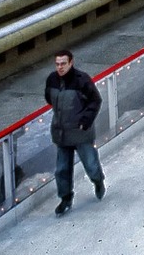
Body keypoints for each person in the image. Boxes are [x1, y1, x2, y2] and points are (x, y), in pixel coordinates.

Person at [44, 49, 105, 213]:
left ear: (71, 62)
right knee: (62, 169)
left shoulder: (82, 80)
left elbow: (95, 100)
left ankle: (98, 181)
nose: (60, 67)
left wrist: (85, 121)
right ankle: (65, 198)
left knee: (91, 165)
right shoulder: (52, 80)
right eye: (57, 64)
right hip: (62, 133)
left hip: (80, 133)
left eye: (63, 63)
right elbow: (49, 98)